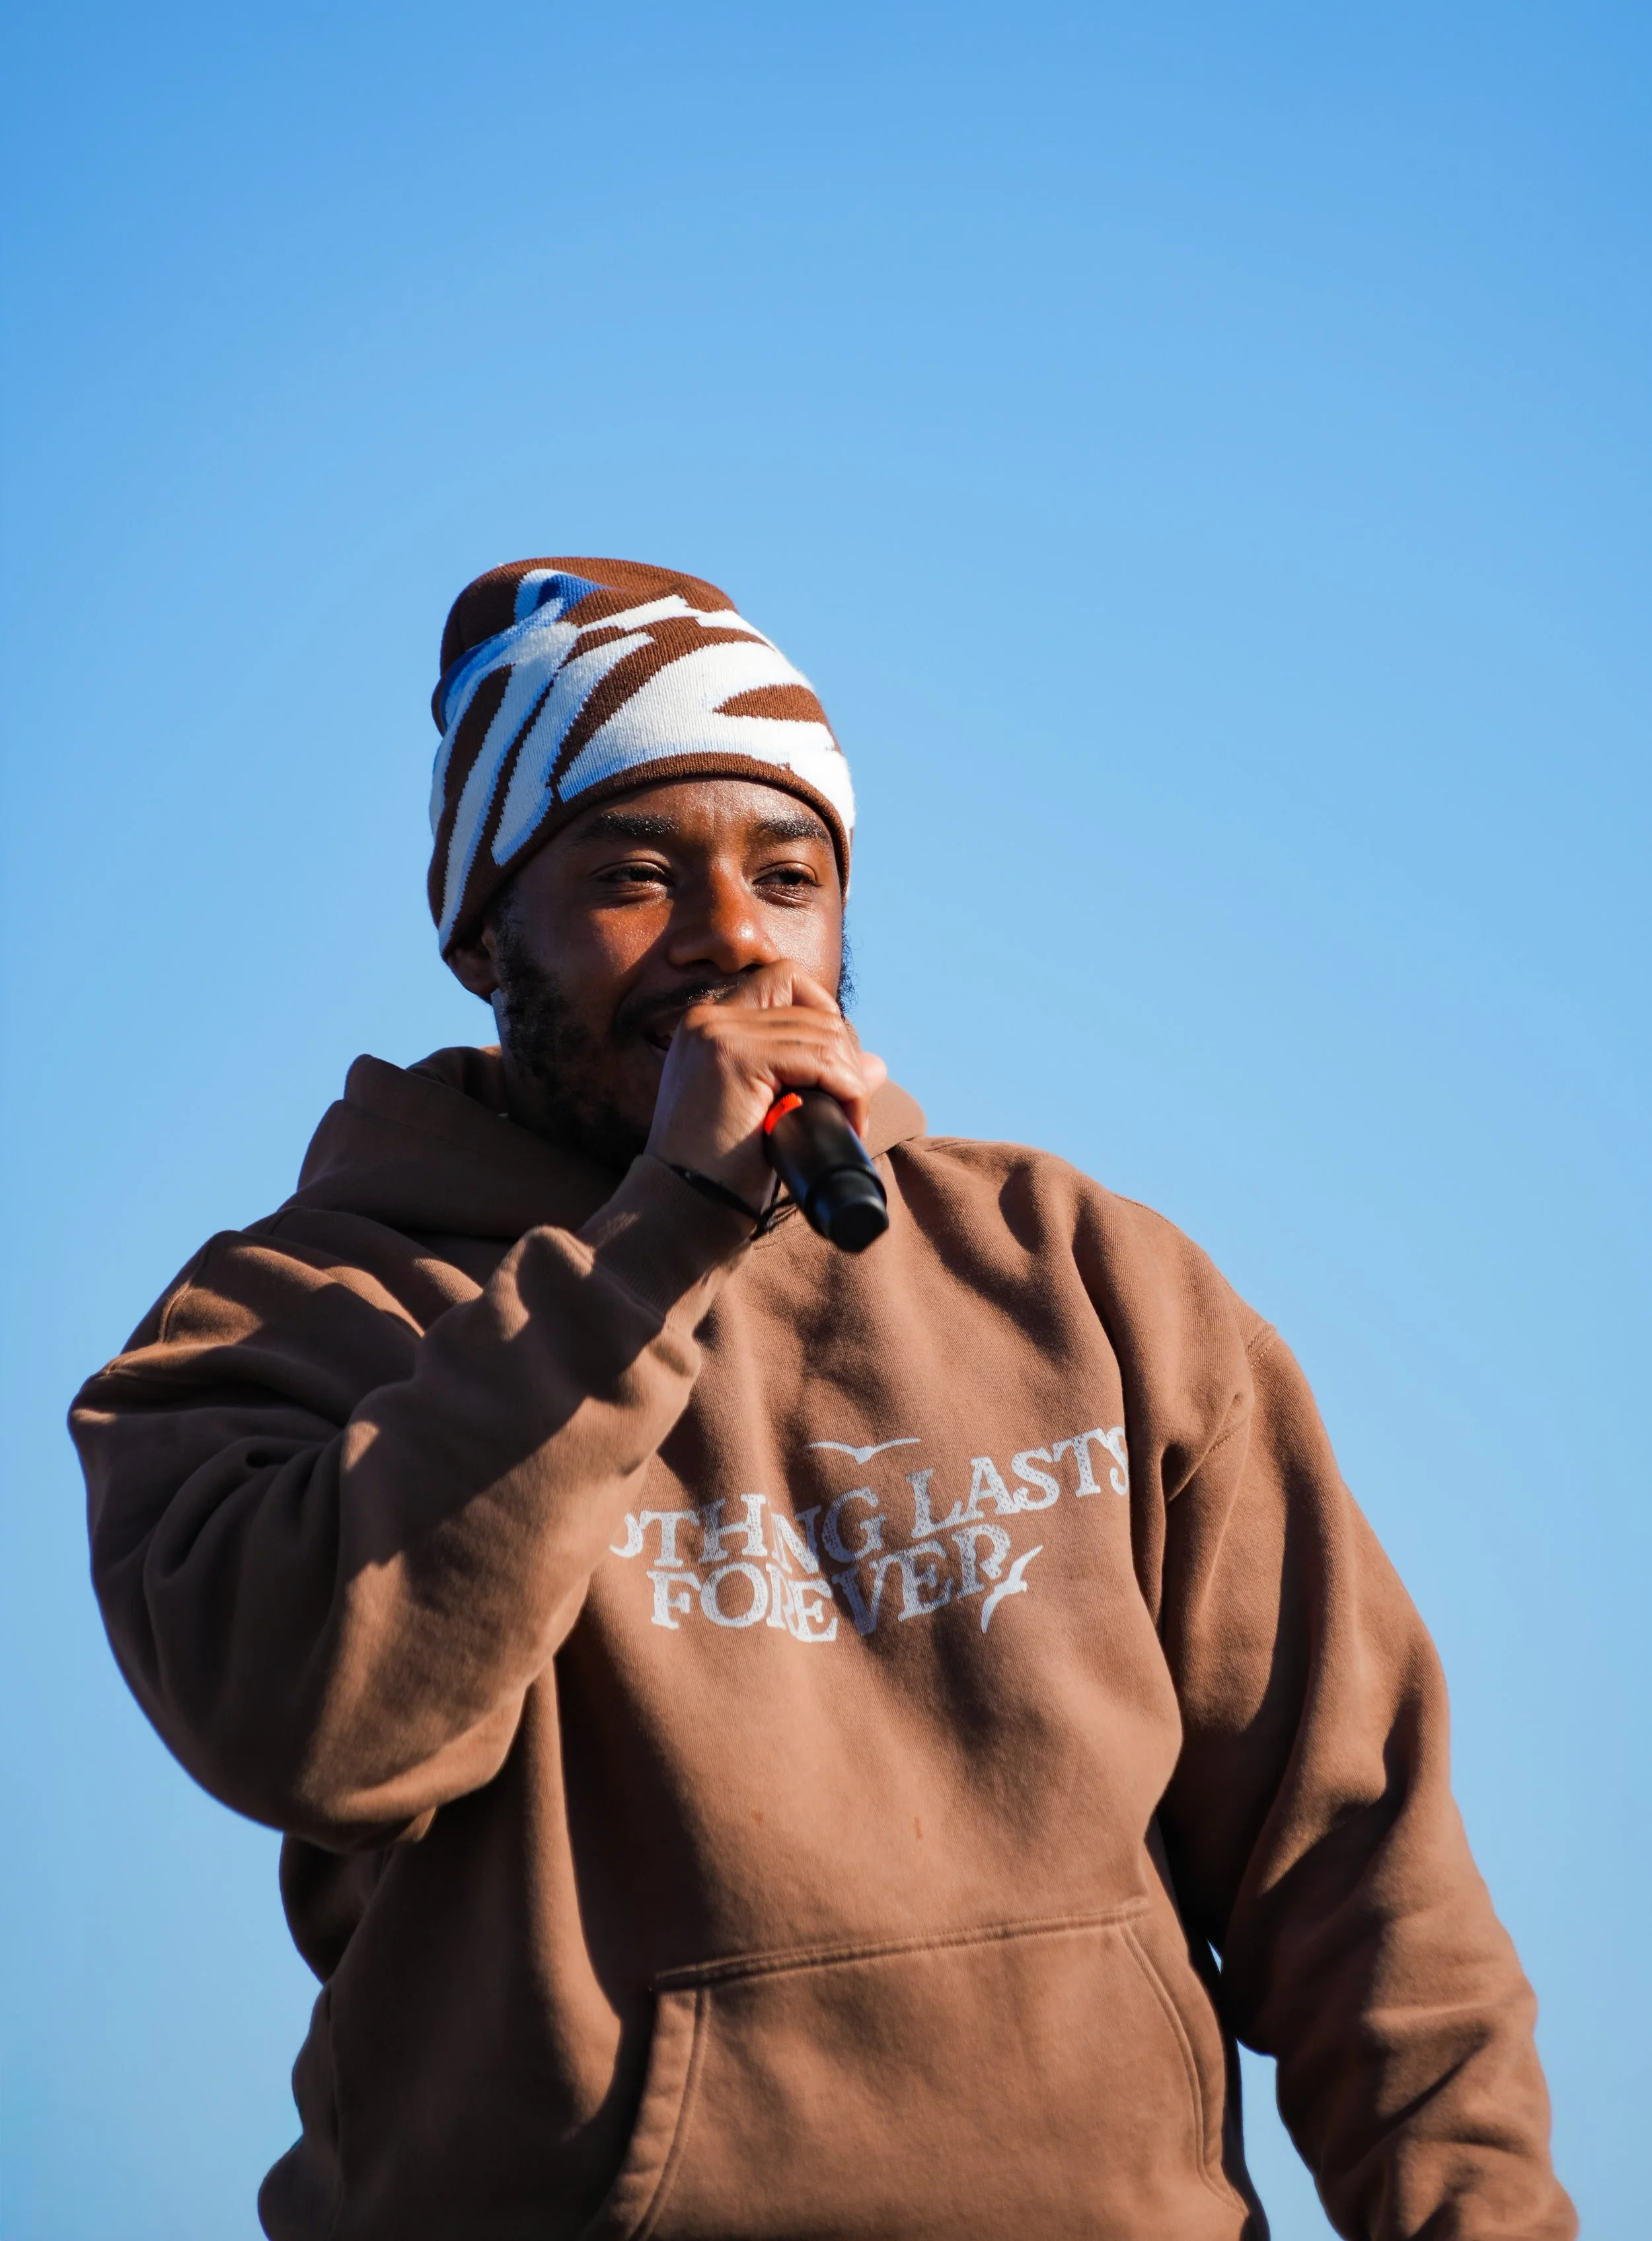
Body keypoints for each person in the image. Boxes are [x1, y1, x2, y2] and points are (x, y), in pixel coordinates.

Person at [72, 557, 1575, 2240]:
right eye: (634, 875)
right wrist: (657, 1246)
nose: (732, 938)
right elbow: (319, 1728)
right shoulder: (290, 1319)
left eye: (786, 875)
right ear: (487, 931)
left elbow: (1359, 1872)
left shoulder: (1085, 1279)